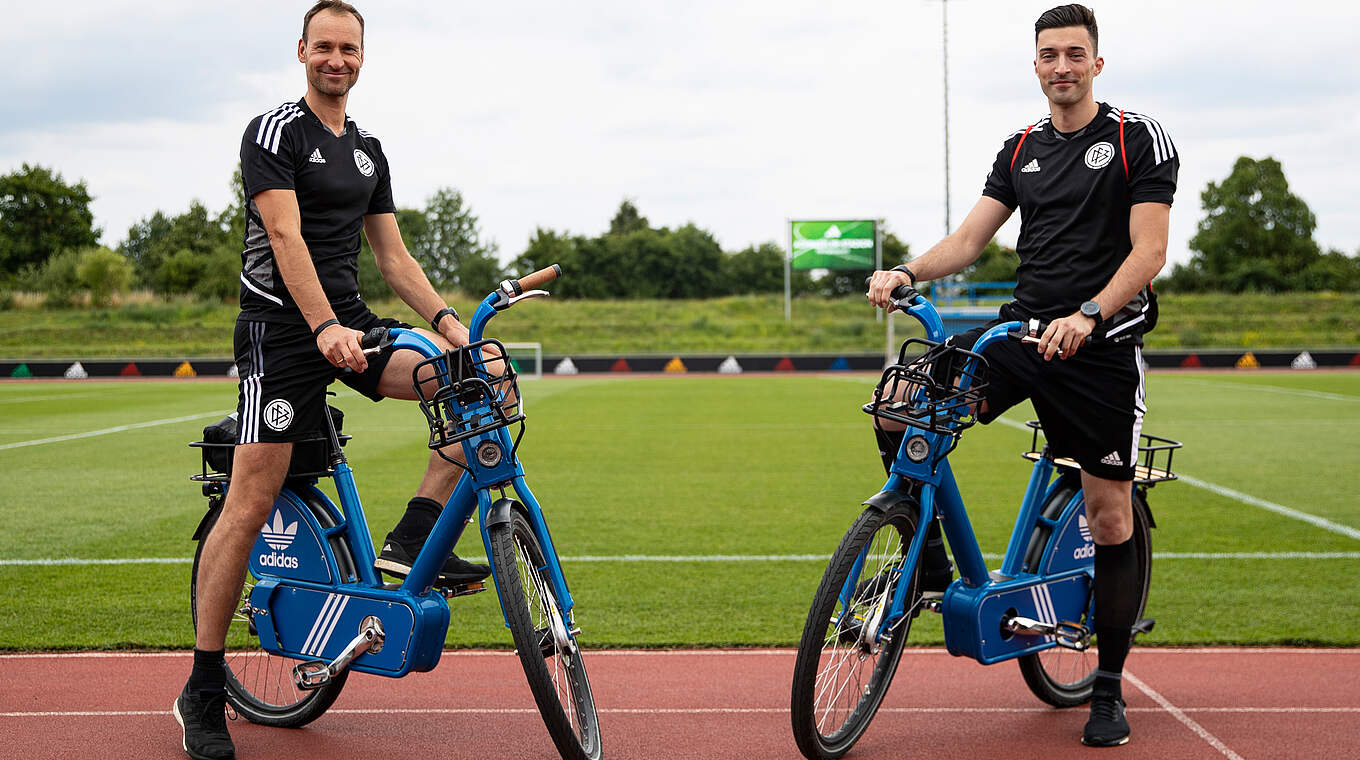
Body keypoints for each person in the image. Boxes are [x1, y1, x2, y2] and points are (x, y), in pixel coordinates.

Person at [173, 4, 492, 758]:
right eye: (325, 47)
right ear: (302, 52)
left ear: (362, 58)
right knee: (250, 503)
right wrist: (321, 329)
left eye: (349, 49)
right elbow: (284, 235)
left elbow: (394, 259)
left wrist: (454, 328)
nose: (337, 59)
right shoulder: (275, 131)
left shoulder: (369, 151)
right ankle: (203, 687)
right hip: (281, 336)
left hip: (353, 325)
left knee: (475, 395)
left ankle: (412, 539)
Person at [867, 3, 1177, 748]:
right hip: (1022, 331)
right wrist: (907, 271)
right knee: (899, 404)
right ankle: (927, 568)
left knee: (1109, 515)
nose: (1062, 67)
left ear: (1096, 64)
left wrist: (1092, 315)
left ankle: (1107, 689)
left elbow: (1149, 253)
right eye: (1049, 55)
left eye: (1076, 54)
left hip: (1099, 345)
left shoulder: (1137, 138)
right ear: (1035, 65)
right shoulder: (1021, 148)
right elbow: (971, 238)